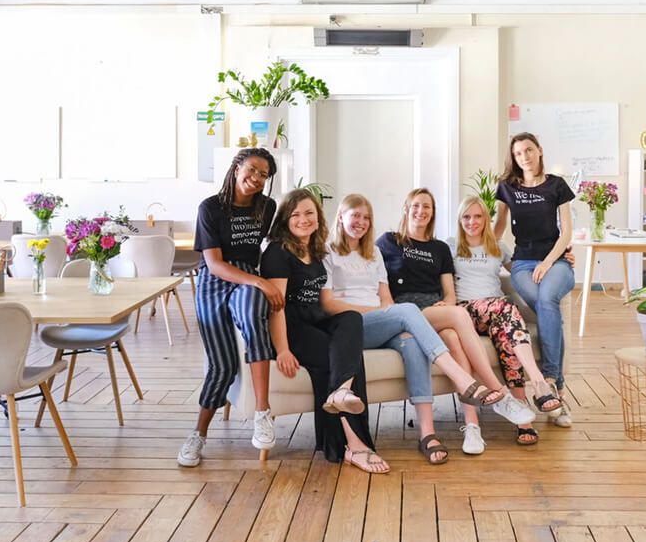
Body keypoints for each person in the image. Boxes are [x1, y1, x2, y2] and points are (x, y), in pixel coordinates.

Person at [322, 194, 506, 462]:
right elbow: (328, 304)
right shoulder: (327, 252)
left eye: (366, 217)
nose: (361, 222)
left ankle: (427, 434)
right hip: (351, 328)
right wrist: (382, 313)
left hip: (380, 322)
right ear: (341, 216)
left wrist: (386, 313)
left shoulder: (373, 253)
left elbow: (386, 299)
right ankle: (464, 380)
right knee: (407, 310)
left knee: (411, 341)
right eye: (355, 215)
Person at [376, 187, 535, 452]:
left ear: (433, 213)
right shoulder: (388, 241)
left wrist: (447, 305)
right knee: (460, 315)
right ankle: (498, 393)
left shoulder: (440, 248)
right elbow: (368, 266)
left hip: (434, 311)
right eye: (416, 205)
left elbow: (450, 293)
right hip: (406, 311)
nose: (421, 211)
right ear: (406, 209)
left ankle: (472, 427)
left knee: (452, 336)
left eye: (427, 207)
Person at [263, 189, 389, 474]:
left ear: (319, 217)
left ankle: (342, 393)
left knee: (351, 320)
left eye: (309, 213)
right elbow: (276, 308)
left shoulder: (317, 249)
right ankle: (355, 445)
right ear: (285, 219)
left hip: (316, 319)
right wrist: (282, 349)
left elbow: (325, 300)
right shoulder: (278, 252)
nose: (303, 219)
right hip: (292, 328)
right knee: (341, 360)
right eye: (295, 214)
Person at [178, 148, 283, 467]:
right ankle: (198, 434)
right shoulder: (210, 208)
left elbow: (271, 246)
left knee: (253, 314)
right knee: (222, 366)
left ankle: (262, 413)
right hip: (214, 280)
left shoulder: (267, 207)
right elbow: (214, 263)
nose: (256, 178)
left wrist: (264, 281)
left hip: (247, 278)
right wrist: (262, 282)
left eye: (264, 175)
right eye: (252, 169)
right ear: (237, 168)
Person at [450, 196, 564, 445]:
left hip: (497, 313)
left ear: (485, 219)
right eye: (466, 217)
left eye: (477, 216)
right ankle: (539, 382)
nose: (472, 222)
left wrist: (557, 263)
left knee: (508, 340)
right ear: (459, 220)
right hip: (465, 312)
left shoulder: (497, 247)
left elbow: (523, 272)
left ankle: (524, 421)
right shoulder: (451, 246)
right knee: (506, 307)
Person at [494, 132, 576, 427]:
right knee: (546, 305)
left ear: (539, 151)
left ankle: (550, 379)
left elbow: (566, 232)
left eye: (529, 150)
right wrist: (476, 251)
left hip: (556, 261)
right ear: (514, 158)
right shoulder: (507, 187)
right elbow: (498, 227)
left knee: (547, 298)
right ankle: (558, 391)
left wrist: (549, 261)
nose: (524, 157)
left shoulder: (557, 185)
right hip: (522, 265)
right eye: (518, 153)